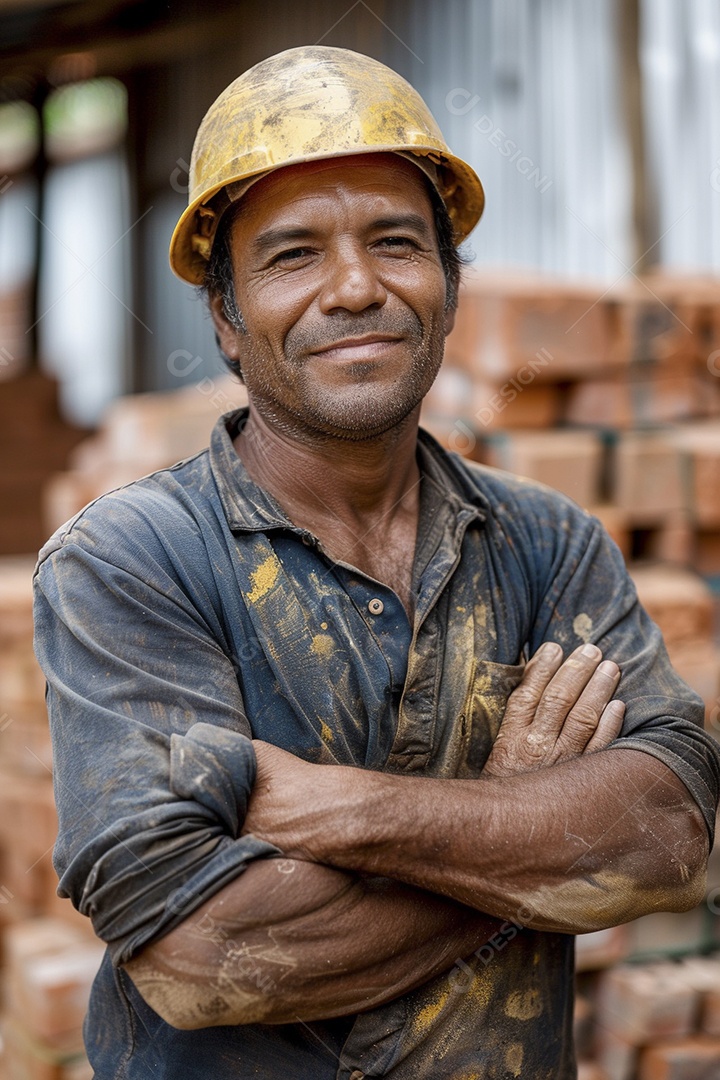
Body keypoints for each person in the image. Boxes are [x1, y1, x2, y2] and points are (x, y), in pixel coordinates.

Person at [33, 45, 720, 1079]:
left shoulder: (548, 543)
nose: (355, 288)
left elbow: (664, 838)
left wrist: (344, 811)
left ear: (448, 281)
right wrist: (519, 811)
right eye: (293, 255)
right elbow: (200, 957)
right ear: (225, 316)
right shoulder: (130, 562)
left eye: (396, 242)